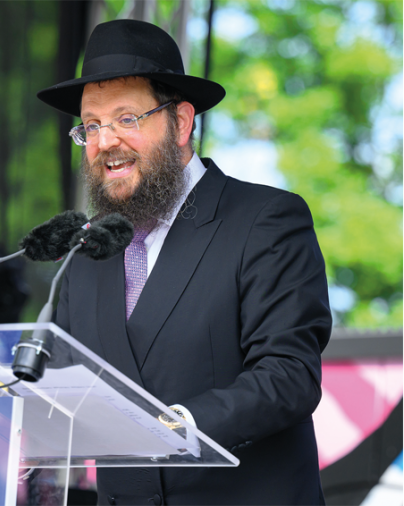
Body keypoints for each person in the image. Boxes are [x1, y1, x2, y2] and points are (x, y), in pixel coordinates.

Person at [38, 19, 332, 506]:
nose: (104, 141)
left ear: (182, 122)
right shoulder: (84, 254)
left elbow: (288, 375)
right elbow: (64, 392)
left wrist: (175, 427)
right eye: (90, 125)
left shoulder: (264, 220)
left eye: (126, 119)